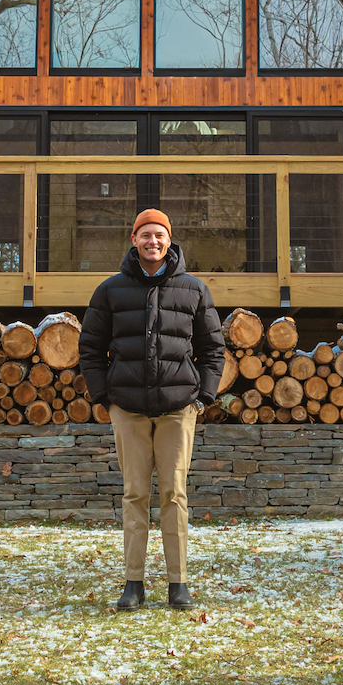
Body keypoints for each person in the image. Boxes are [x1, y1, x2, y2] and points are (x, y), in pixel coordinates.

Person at [79, 208, 225, 611]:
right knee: (135, 494)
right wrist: (104, 398)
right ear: (134, 240)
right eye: (145, 234)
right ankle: (134, 583)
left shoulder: (194, 290)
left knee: (174, 495)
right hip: (127, 408)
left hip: (179, 408)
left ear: (169, 240)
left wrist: (203, 397)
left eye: (159, 234)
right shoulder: (110, 290)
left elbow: (214, 348)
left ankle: (178, 583)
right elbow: (90, 348)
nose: (152, 241)